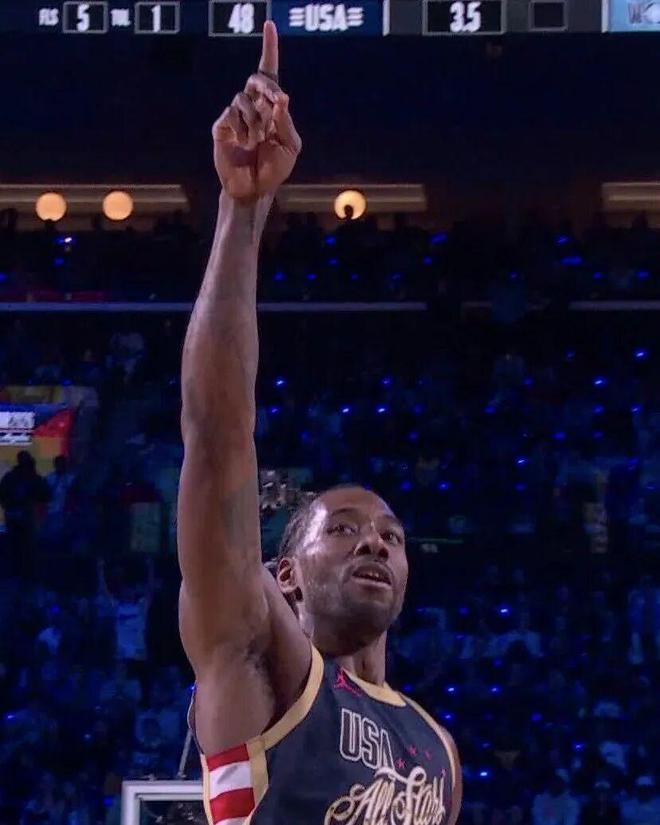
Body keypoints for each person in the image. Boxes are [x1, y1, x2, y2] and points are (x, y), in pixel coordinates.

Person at [177, 22, 462, 825]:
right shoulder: (257, 651)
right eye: (341, 530)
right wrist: (244, 210)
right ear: (286, 574)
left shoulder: (437, 748)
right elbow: (218, 432)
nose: (375, 543)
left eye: (390, 536)